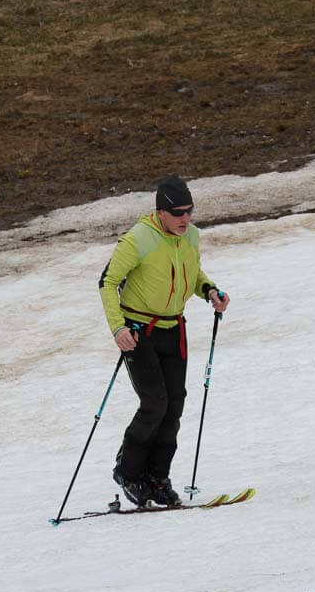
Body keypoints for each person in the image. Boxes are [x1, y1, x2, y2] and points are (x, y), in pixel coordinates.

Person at [98, 175, 230, 508]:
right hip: (138, 331)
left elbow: (193, 272)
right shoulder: (139, 238)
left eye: (189, 211)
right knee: (154, 402)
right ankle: (128, 472)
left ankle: (158, 478)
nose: (185, 218)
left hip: (174, 330)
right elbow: (107, 281)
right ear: (161, 212)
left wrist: (209, 290)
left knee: (174, 406)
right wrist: (118, 329)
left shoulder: (191, 236)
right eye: (178, 213)